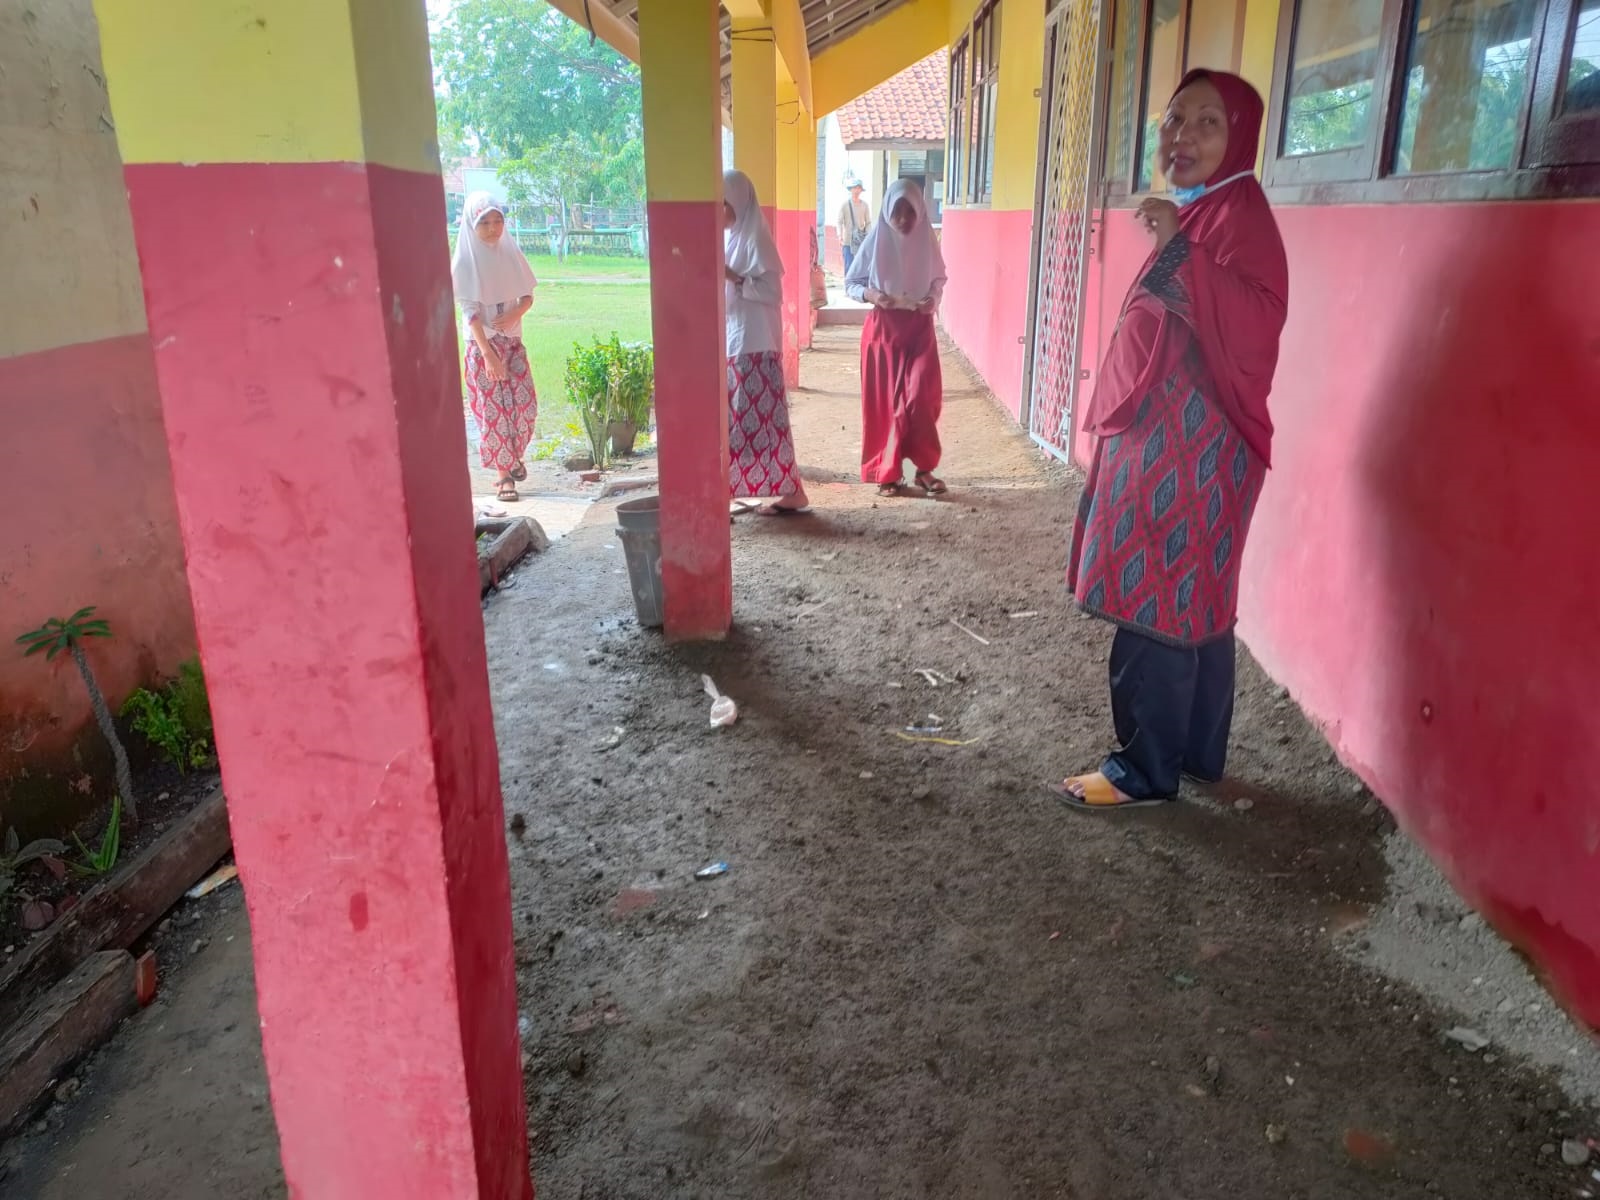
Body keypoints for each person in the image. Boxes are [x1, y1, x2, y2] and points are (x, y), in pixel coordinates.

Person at [1055, 70, 1289, 812]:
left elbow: (1255, 323)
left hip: (1191, 451)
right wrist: (1181, 236)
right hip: (1179, 442)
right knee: (1197, 601)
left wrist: (1176, 243)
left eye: (1206, 123)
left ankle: (1143, 770)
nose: (1181, 137)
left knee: (1155, 599)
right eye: (1173, 120)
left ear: (1241, 136)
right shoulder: (1213, 209)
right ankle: (1192, 754)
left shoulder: (1232, 215)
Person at [845, 179, 948, 497]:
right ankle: (887, 471)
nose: (903, 219)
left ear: (920, 212)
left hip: (919, 330)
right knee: (887, 406)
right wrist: (871, 294)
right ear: (886, 213)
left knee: (919, 399)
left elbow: (938, 279)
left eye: (910, 212)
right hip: (883, 333)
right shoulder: (876, 239)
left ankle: (924, 469)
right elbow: (852, 282)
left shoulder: (927, 241)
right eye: (897, 212)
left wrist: (933, 299)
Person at [724, 169, 810, 515]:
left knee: (756, 421)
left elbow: (773, 292)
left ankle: (781, 490)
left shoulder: (757, 239)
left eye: (723, 204)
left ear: (738, 202)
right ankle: (786, 490)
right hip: (741, 341)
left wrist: (732, 276)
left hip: (757, 344)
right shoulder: (735, 238)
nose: (719, 212)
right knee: (755, 421)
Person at [452, 191, 538, 503]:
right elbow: (470, 311)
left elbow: (528, 294)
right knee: (494, 414)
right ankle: (504, 477)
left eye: (497, 220)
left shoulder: (510, 252)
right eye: (484, 222)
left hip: (513, 343)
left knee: (525, 408)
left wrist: (517, 312)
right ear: (471, 225)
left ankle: (514, 457)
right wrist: (488, 354)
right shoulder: (465, 260)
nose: (492, 228)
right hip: (482, 348)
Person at [836, 177, 871, 277]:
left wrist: (868, 236)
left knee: (861, 266)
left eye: (859, 188)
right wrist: (839, 236)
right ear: (850, 189)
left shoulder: (865, 205)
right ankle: (848, 288)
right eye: (855, 187)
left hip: (860, 241)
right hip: (848, 241)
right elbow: (839, 222)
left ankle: (857, 288)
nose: (857, 190)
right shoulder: (845, 205)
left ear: (861, 190)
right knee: (849, 266)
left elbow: (868, 223)